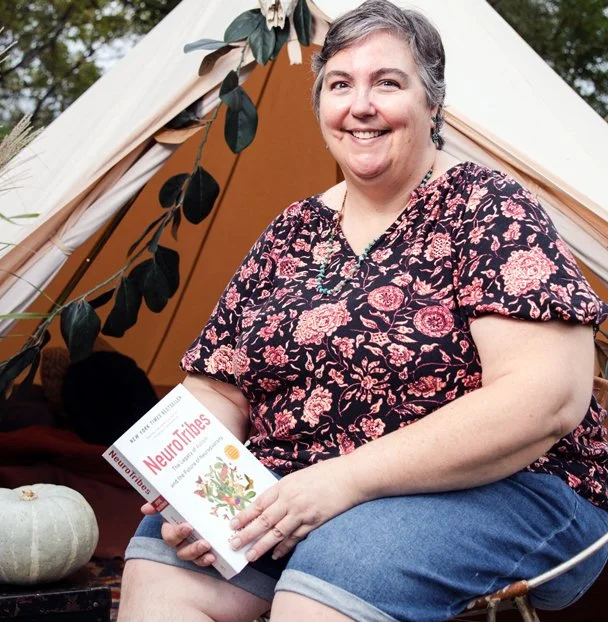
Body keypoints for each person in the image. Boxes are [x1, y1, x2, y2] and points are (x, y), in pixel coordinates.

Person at [117, 1, 608, 620]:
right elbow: (219, 387)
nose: (361, 106)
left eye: (388, 83)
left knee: (340, 563)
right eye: (340, 85)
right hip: (303, 486)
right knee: (163, 559)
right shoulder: (292, 232)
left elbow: (546, 400)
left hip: (507, 486)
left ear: (433, 103)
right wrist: (194, 488)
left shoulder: (489, 208)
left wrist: (343, 481)